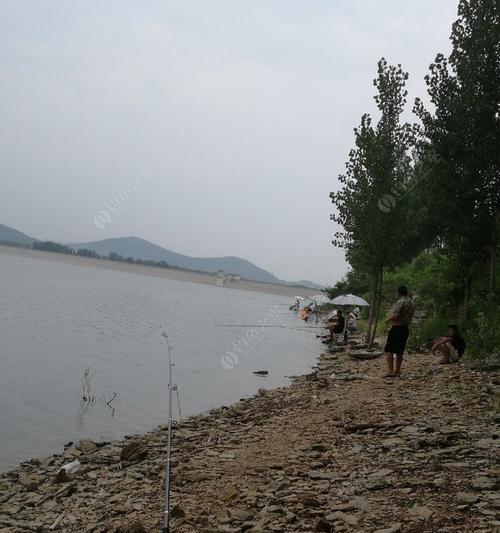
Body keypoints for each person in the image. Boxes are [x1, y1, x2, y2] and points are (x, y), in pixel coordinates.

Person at [384, 285, 415, 378]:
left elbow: (396, 315)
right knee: (400, 351)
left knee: (389, 350)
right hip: (405, 328)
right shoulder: (411, 302)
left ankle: (391, 371)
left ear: (398, 292)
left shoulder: (401, 301)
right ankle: (397, 371)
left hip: (397, 328)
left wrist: (388, 319)